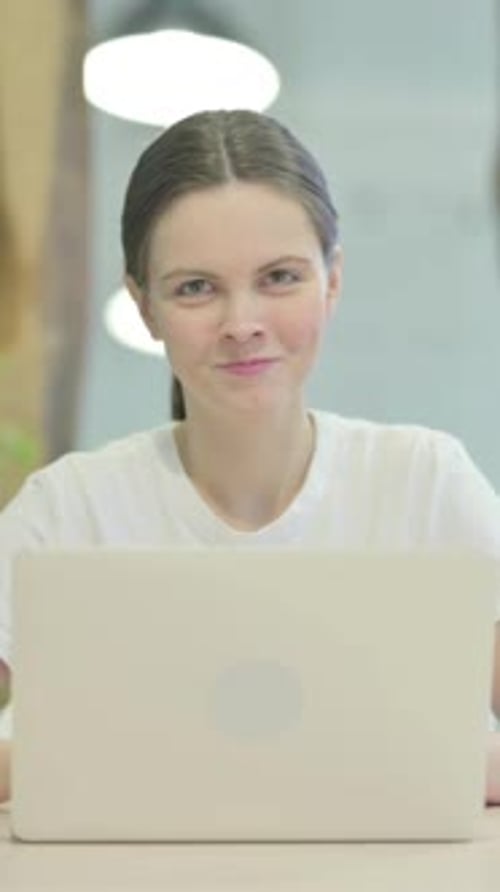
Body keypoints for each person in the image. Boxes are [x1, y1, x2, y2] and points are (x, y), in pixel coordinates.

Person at [1, 108, 500, 804]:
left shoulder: (424, 485)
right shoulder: (68, 513)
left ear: (332, 279)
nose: (242, 324)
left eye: (280, 277)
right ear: (144, 307)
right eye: (195, 288)